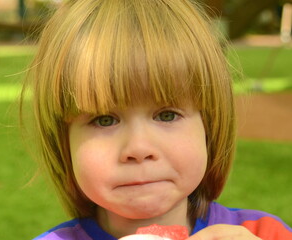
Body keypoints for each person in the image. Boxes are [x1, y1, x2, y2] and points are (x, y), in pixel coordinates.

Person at [20, 0, 292, 239]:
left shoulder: (264, 234)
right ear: (63, 142)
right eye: (104, 120)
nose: (139, 149)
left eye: (167, 115)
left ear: (209, 128)